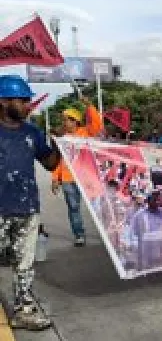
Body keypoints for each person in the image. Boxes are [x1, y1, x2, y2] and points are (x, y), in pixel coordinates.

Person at [0, 75, 61, 330]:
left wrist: (59, 147)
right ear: (4, 102)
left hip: (27, 209)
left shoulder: (33, 132)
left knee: (24, 265)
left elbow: (50, 164)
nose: (28, 106)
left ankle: (23, 310)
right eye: (23, 101)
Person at [51, 96, 103, 247]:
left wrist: (89, 105)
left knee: (98, 208)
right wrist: (55, 178)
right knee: (73, 208)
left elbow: (98, 125)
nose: (64, 122)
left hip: (87, 178)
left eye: (67, 119)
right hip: (68, 179)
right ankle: (79, 234)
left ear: (75, 121)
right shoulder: (63, 138)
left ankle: (109, 236)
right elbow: (59, 160)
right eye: (64, 120)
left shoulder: (86, 132)